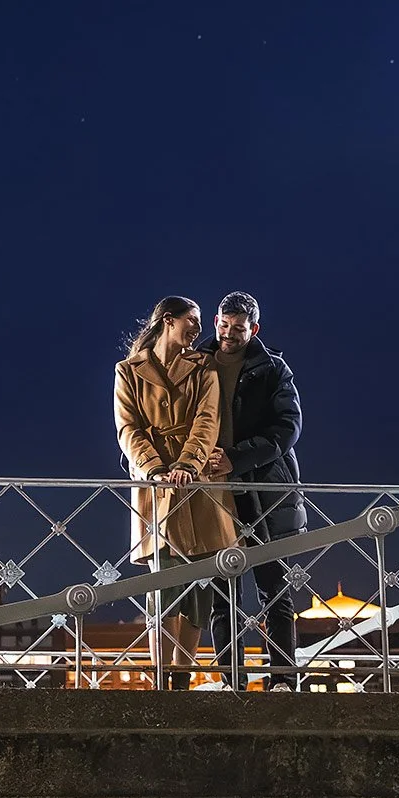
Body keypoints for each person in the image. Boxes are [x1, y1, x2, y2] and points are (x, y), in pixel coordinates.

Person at [113, 294, 238, 685]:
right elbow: (127, 427)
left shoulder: (204, 367)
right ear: (168, 320)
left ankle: (182, 674)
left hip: (200, 484)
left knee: (200, 586)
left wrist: (187, 464)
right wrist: (153, 468)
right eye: (193, 320)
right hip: (156, 488)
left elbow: (208, 420)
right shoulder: (128, 371)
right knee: (162, 581)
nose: (199, 329)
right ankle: (160, 675)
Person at [199, 290, 308, 687]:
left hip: (263, 488)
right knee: (221, 593)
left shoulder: (273, 368)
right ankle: (233, 682)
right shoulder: (195, 363)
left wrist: (237, 458)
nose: (229, 334)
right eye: (224, 325)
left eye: (239, 328)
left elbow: (288, 427)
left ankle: (282, 680)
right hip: (214, 490)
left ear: (254, 329)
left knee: (274, 590)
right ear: (216, 321)